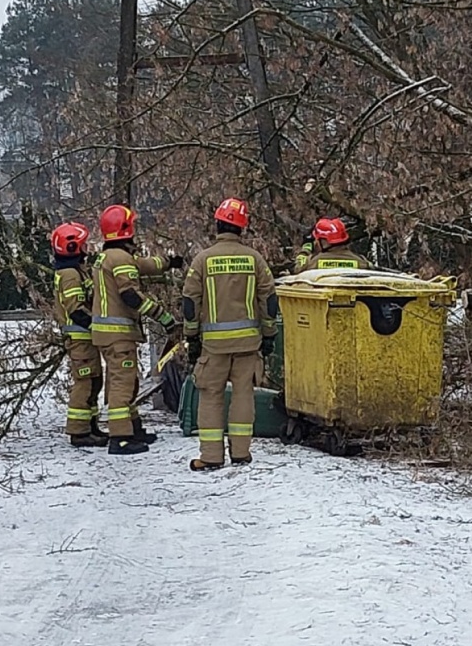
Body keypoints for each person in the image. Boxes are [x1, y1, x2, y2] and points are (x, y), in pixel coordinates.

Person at [182, 197, 277, 471]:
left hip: (213, 346)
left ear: (217, 224)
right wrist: (268, 334)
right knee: (243, 395)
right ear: (242, 228)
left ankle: (211, 456)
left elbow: (190, 302)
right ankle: (241, 453)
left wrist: (192, 337)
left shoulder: (203, 260)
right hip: (248, 344)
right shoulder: (255, 259)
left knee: (210, 395)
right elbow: (269, 300)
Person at [91, 204, 183, 455]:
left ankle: (133, 428)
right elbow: (131, 294)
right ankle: (120, 438)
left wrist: (168, 262)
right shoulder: (120, 259)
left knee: (126, 381)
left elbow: (142, 264)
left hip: (108, 335)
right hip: (118, 335)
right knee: (122, 384)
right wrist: (163, 317)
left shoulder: (108, 257)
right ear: (126, 229)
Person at [51, 222, 107, 448]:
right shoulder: (70, 275)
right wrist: (97, 326)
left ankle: (90, 425)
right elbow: (76, 309)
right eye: (82, 245)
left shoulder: (73, 271)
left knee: (95, 381)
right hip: (80, 339)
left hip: (85, 340)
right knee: (85, 382)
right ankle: (79, 431)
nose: (86, 249)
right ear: (73, 247)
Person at [294, 217, 372, 272]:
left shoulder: (312, 263)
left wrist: (305, 249)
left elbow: (298, 267)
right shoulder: (362, 262)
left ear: (323, 242)